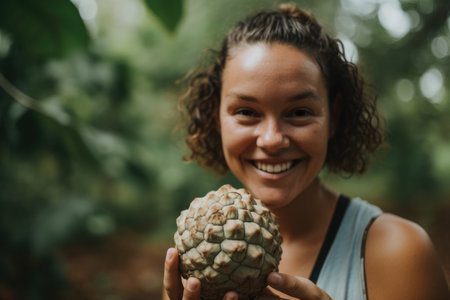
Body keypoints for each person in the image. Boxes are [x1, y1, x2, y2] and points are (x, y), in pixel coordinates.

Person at [163, 3, 449, 300]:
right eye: (247, 111)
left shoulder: (400, 252)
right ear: (216, 117)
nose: (272, 140)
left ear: (333, 118)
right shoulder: (193, 259)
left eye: (299, 112)